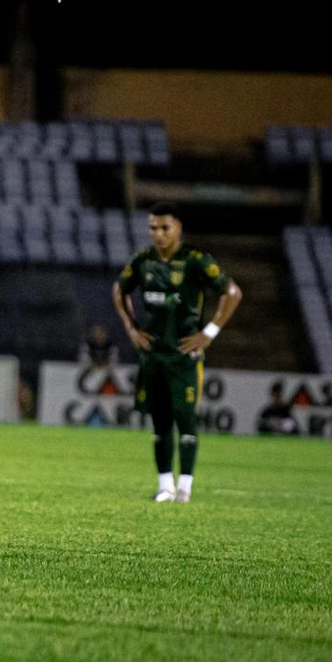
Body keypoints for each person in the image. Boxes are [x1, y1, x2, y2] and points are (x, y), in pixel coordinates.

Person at [112, 202, 242, 503]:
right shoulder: (143, 260)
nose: (158, 234)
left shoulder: (196, 260)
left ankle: (185, 486)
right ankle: (164, 486)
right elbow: (119, 289)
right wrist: (131, 329)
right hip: (153, 355)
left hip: (184, 355)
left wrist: (208, 333)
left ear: (178, 228)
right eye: (153, 227)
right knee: (159, 424)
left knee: (186, 420)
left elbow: (232, 292)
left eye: (164, 227)